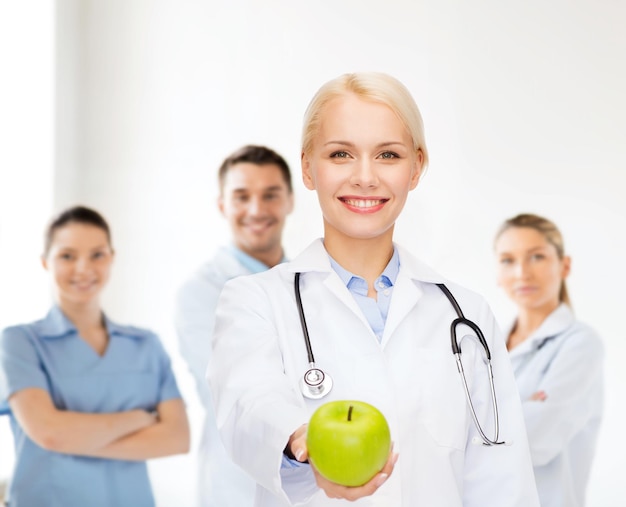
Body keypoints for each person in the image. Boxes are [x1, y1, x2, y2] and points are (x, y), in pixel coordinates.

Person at [208, 72, 539, 506]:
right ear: (308, 167)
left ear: (416, 167)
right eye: (341, 154)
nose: (365, 177)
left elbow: (502, 479)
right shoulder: (255, 301)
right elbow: (249, 404)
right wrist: (303, 442)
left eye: (388, 154)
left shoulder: (467, 316)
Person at [0, 206, 190, 507]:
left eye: (97, 254)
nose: (84, 268)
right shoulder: (20, 342)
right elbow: (49, 433)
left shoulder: (146, 345)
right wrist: (138, 419)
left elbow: (177, 438)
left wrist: (72, 438)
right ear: (44, 262)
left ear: (112, 258)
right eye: (67, 255)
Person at [174, 145, 294, 507]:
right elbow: (237, 389)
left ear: (289, 201)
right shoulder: (201, 292)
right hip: (238, 487)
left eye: (270, 195)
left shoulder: (312, 285)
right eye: (242, 197)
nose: (256, 210)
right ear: (222, 205)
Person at [494, 213, 604, 507]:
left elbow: (536, 437)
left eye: (537, 257)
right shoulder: (484, 347)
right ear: (497, 273)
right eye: (507, 260)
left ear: (564, 265)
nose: (521, 273)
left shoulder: (581, 344)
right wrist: (521, 408)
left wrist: (470, 417)